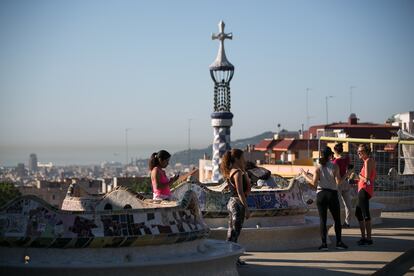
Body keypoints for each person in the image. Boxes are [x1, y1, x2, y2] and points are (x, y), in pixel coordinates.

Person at [301, 146, 349, 251]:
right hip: (332, 194)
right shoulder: (335, 166)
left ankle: (324, 244)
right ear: (330, 155)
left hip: (321, 194)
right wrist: (347, 174)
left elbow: (314, 184)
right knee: (337, 219)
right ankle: (339, 242)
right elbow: (338, 182)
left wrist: (304, 175)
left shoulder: (318, 167)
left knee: (323, 220)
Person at [220, 149, 251, 265]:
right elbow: (240, 192)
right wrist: (246, 208)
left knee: (232, 232)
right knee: (234, 233)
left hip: (232, 203)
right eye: (243, 158)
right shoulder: (237, 172)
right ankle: (230, 259)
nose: (244, 160)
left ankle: (232, 258)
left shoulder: (232, 171)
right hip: (237, 204)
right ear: (237, 159)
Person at [354, 144, 376, 245]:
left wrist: (359, 176)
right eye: (358, 151)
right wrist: (357, 180)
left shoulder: (368, 161)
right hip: (364, 190)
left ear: (366, 151)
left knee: (365, 214)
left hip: (364, 190)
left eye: (361, 151)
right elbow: (370, 178)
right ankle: (364, 238)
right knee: (358, 213)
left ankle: (368, 239)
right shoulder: (368, 161)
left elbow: (367, 179)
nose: (358, 153)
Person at [333, 143, 353, 228]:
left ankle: (336, 223)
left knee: (337, 205)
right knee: (348, 205)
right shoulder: (347, 158)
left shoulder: (335, 161)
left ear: (335, 151)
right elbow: (350, 168)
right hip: (346, 182)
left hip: (338, 183)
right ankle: (347, 222)